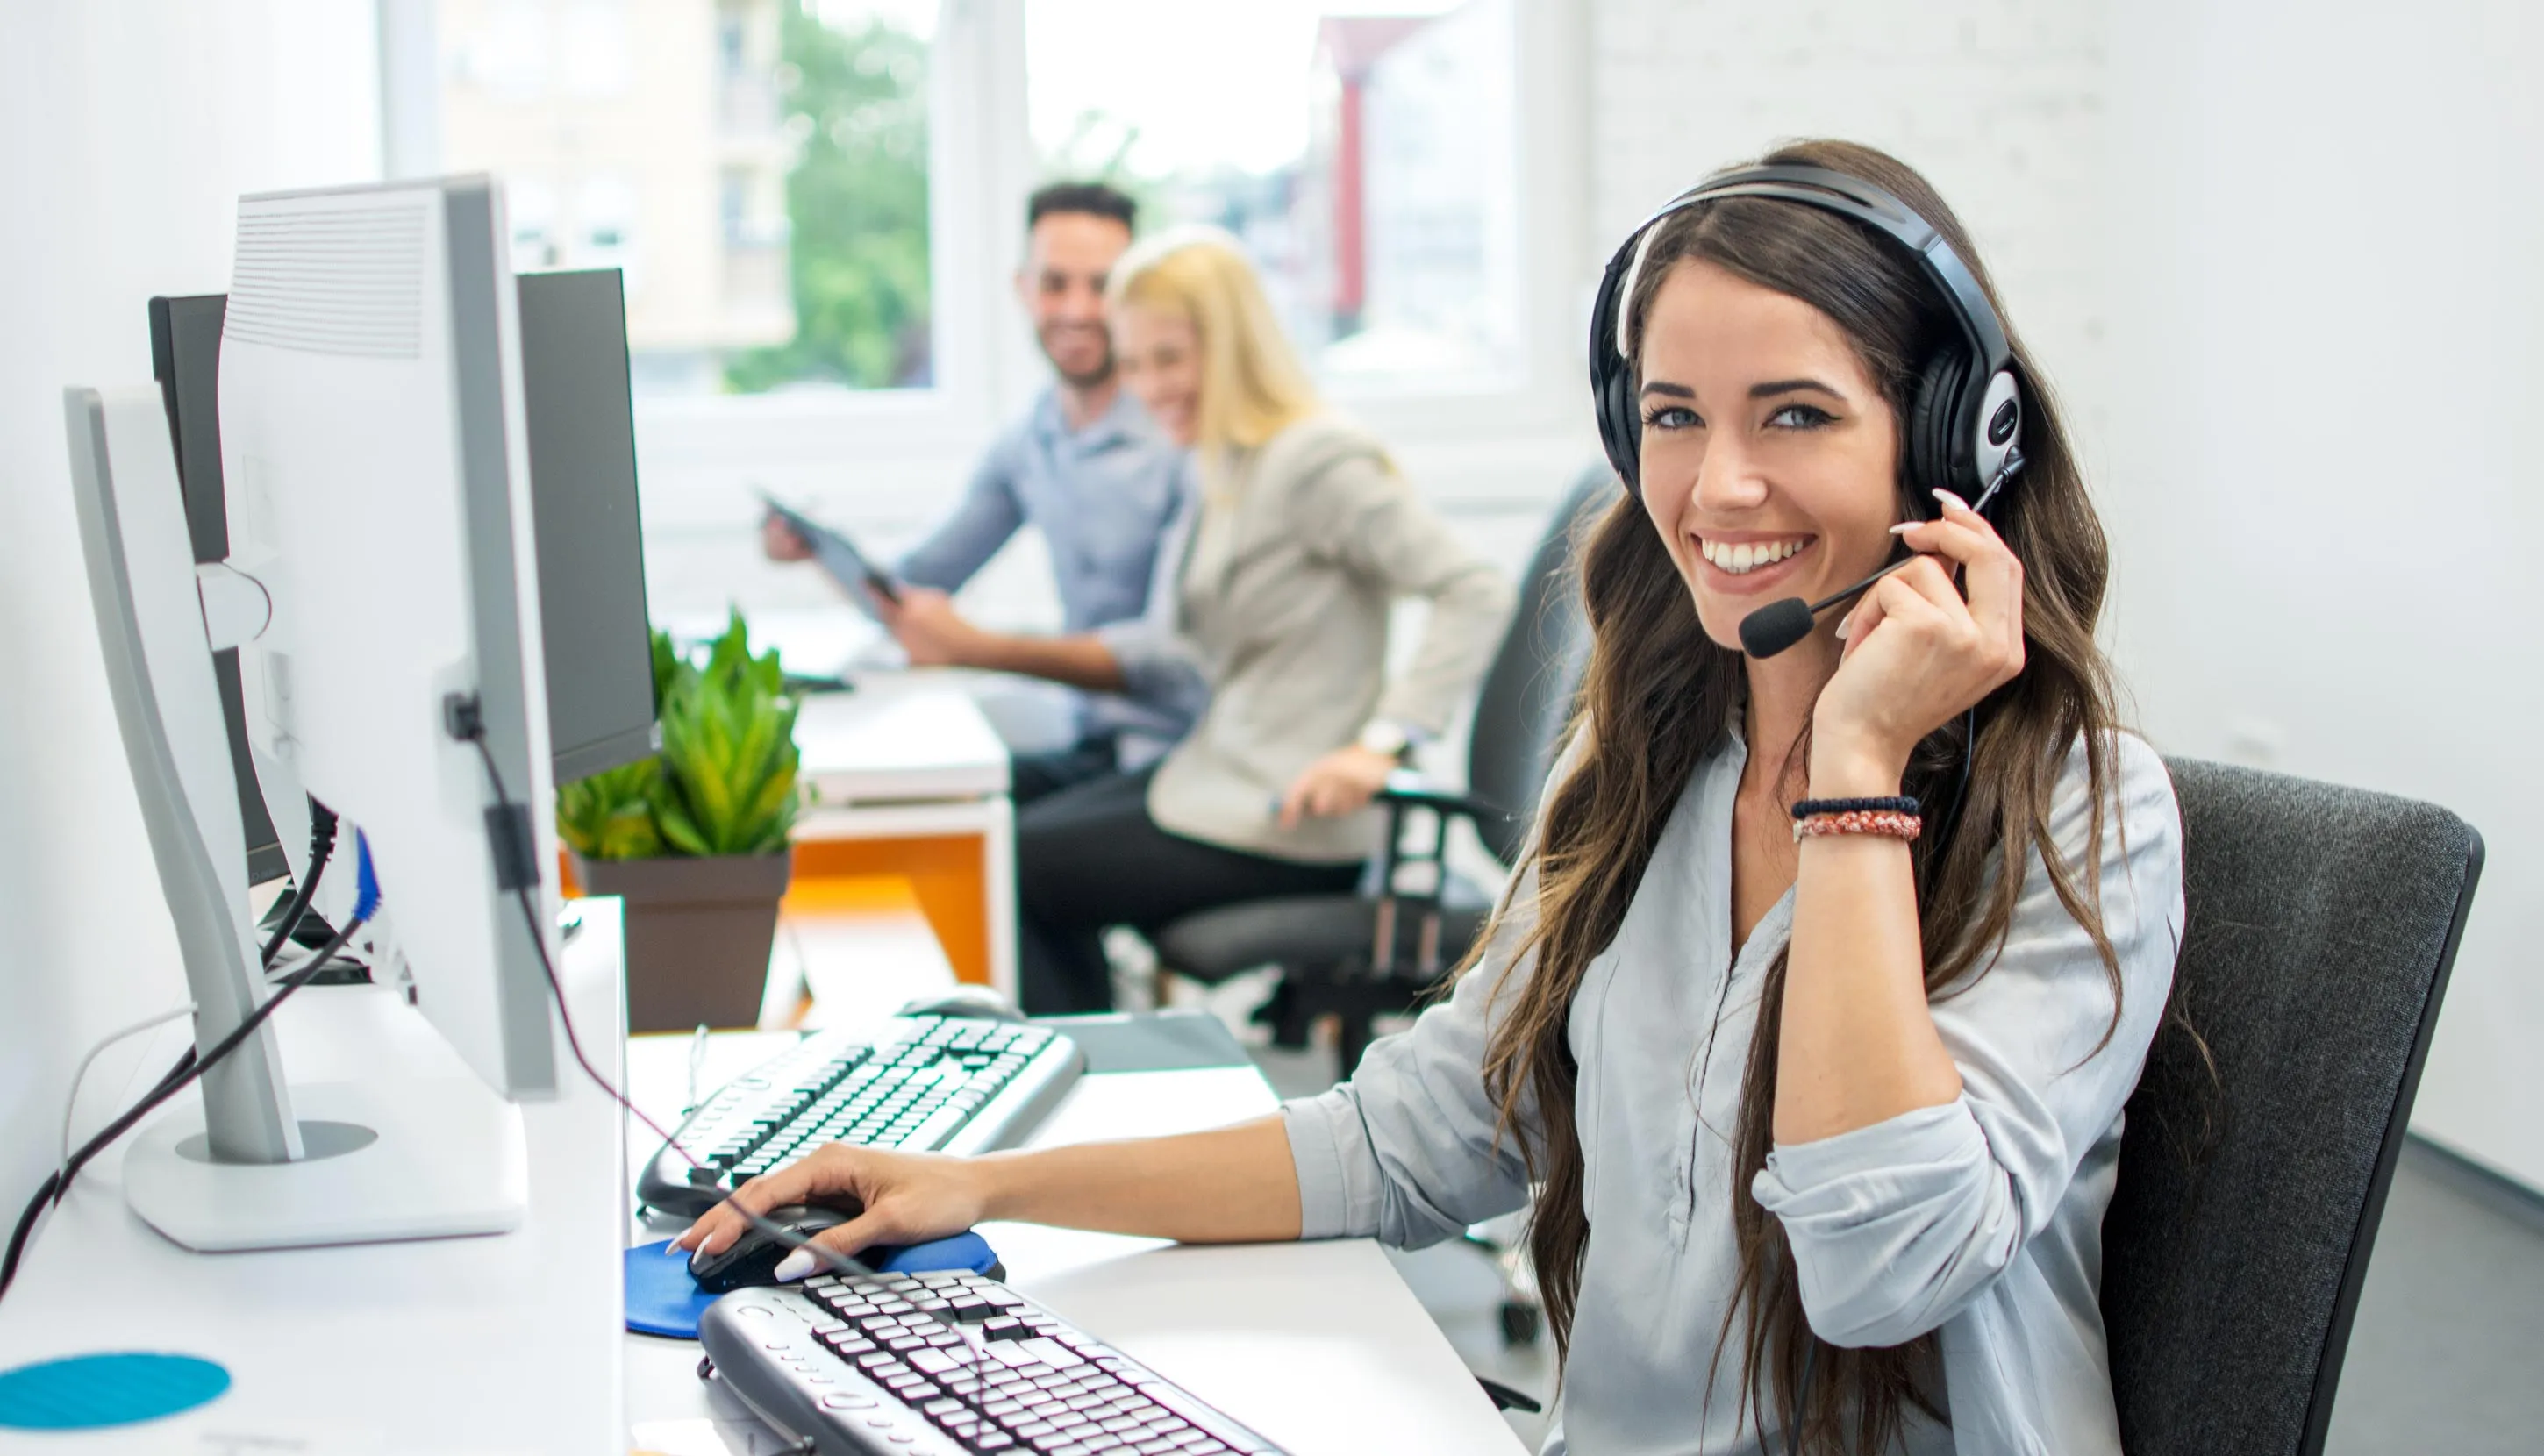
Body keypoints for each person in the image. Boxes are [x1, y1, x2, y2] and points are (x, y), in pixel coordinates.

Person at [681, 140, 2182, 1455]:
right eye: (1671, 416)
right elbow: (1409, 1142)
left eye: (1793, 415)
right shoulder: (1655, 766)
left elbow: (1882, 1277)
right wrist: (987, 1188)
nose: (1718, 487)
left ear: (1950, 445)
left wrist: (1855, 784)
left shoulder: (2081, 811)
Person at [868, 228, 1514, 1015]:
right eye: (1133, 362)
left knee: (1016, 871)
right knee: (998, 840)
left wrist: (1382, 742)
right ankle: (1084, 1075)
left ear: (1236, 348)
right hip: (1219, 777)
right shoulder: (1225, 461)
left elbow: (1471, 587)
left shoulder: (1315, 460)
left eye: (1168, 360)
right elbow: (1177, 639)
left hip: (1290, 817)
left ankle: (1081, 1099)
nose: (1145, 386)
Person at [761, 181, 1193, 803]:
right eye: (1054, 284)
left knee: (999, 855)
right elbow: (917, 587)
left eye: (1101, 286)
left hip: (1175, 759)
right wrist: (816, 551)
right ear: (1023, 289)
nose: (1075, 309)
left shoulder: (1179, 436)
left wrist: (977, 648)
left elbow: (1170, 654)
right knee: (913, 812)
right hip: (1092, 746)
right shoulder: (1031, 442)